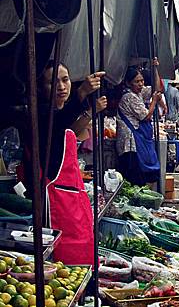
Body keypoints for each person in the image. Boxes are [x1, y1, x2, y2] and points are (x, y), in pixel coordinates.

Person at [37, 62, 107, 265]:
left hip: (74, 199)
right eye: (53, 82)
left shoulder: (62, 112)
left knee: (83, 258)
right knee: (63, 262)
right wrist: (82, 92)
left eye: (65, 80)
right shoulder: (42, 114)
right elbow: (56, 123)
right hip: (57, 203)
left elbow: (69, 126)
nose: (61, 86)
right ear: (41, 88)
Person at [116, 61, 163, 186]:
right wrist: (154, 101)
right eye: (137, 81)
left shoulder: (138, 94)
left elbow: (157, 89)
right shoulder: (129, 97)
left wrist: (155, 68)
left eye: (142, 81)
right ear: (128, 83)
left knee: (139, 177)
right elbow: (146, 116)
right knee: (134, 178)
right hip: (130, 144)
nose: (141, 84)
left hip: (136, 142)